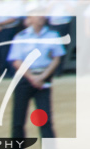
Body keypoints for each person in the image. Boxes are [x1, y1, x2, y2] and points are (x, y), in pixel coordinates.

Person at [6, 11, 65, 139]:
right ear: (29, 18)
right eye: (37, 14)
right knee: (18, 119)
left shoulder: (52, 35)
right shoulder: (21, 36)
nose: (41, 17)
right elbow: (16, 61)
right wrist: (32, 77)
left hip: (44, 77)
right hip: (25, 78)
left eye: (42, 14)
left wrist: (42, 76)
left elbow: (56, 58)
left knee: (45, 119)